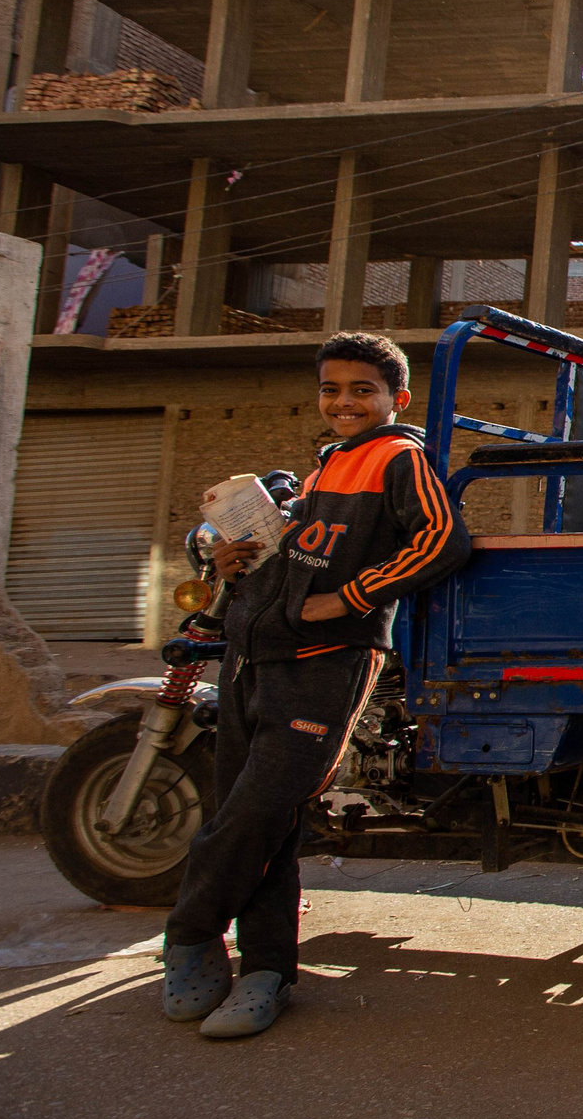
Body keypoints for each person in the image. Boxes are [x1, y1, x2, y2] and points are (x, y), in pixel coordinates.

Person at [161, 332, 472, 1039]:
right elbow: (302, 555)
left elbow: (440, 538)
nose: (344, 402)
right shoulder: (326, 465)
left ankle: (189, 933)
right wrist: (242, 560)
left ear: (396, 399)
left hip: (327, 660)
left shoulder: (400, 456)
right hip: (254, 653)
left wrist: (354, 597)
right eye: (332, 389)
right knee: (263, 816)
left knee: (254, 811)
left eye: (362, 390)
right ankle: (266, 970)